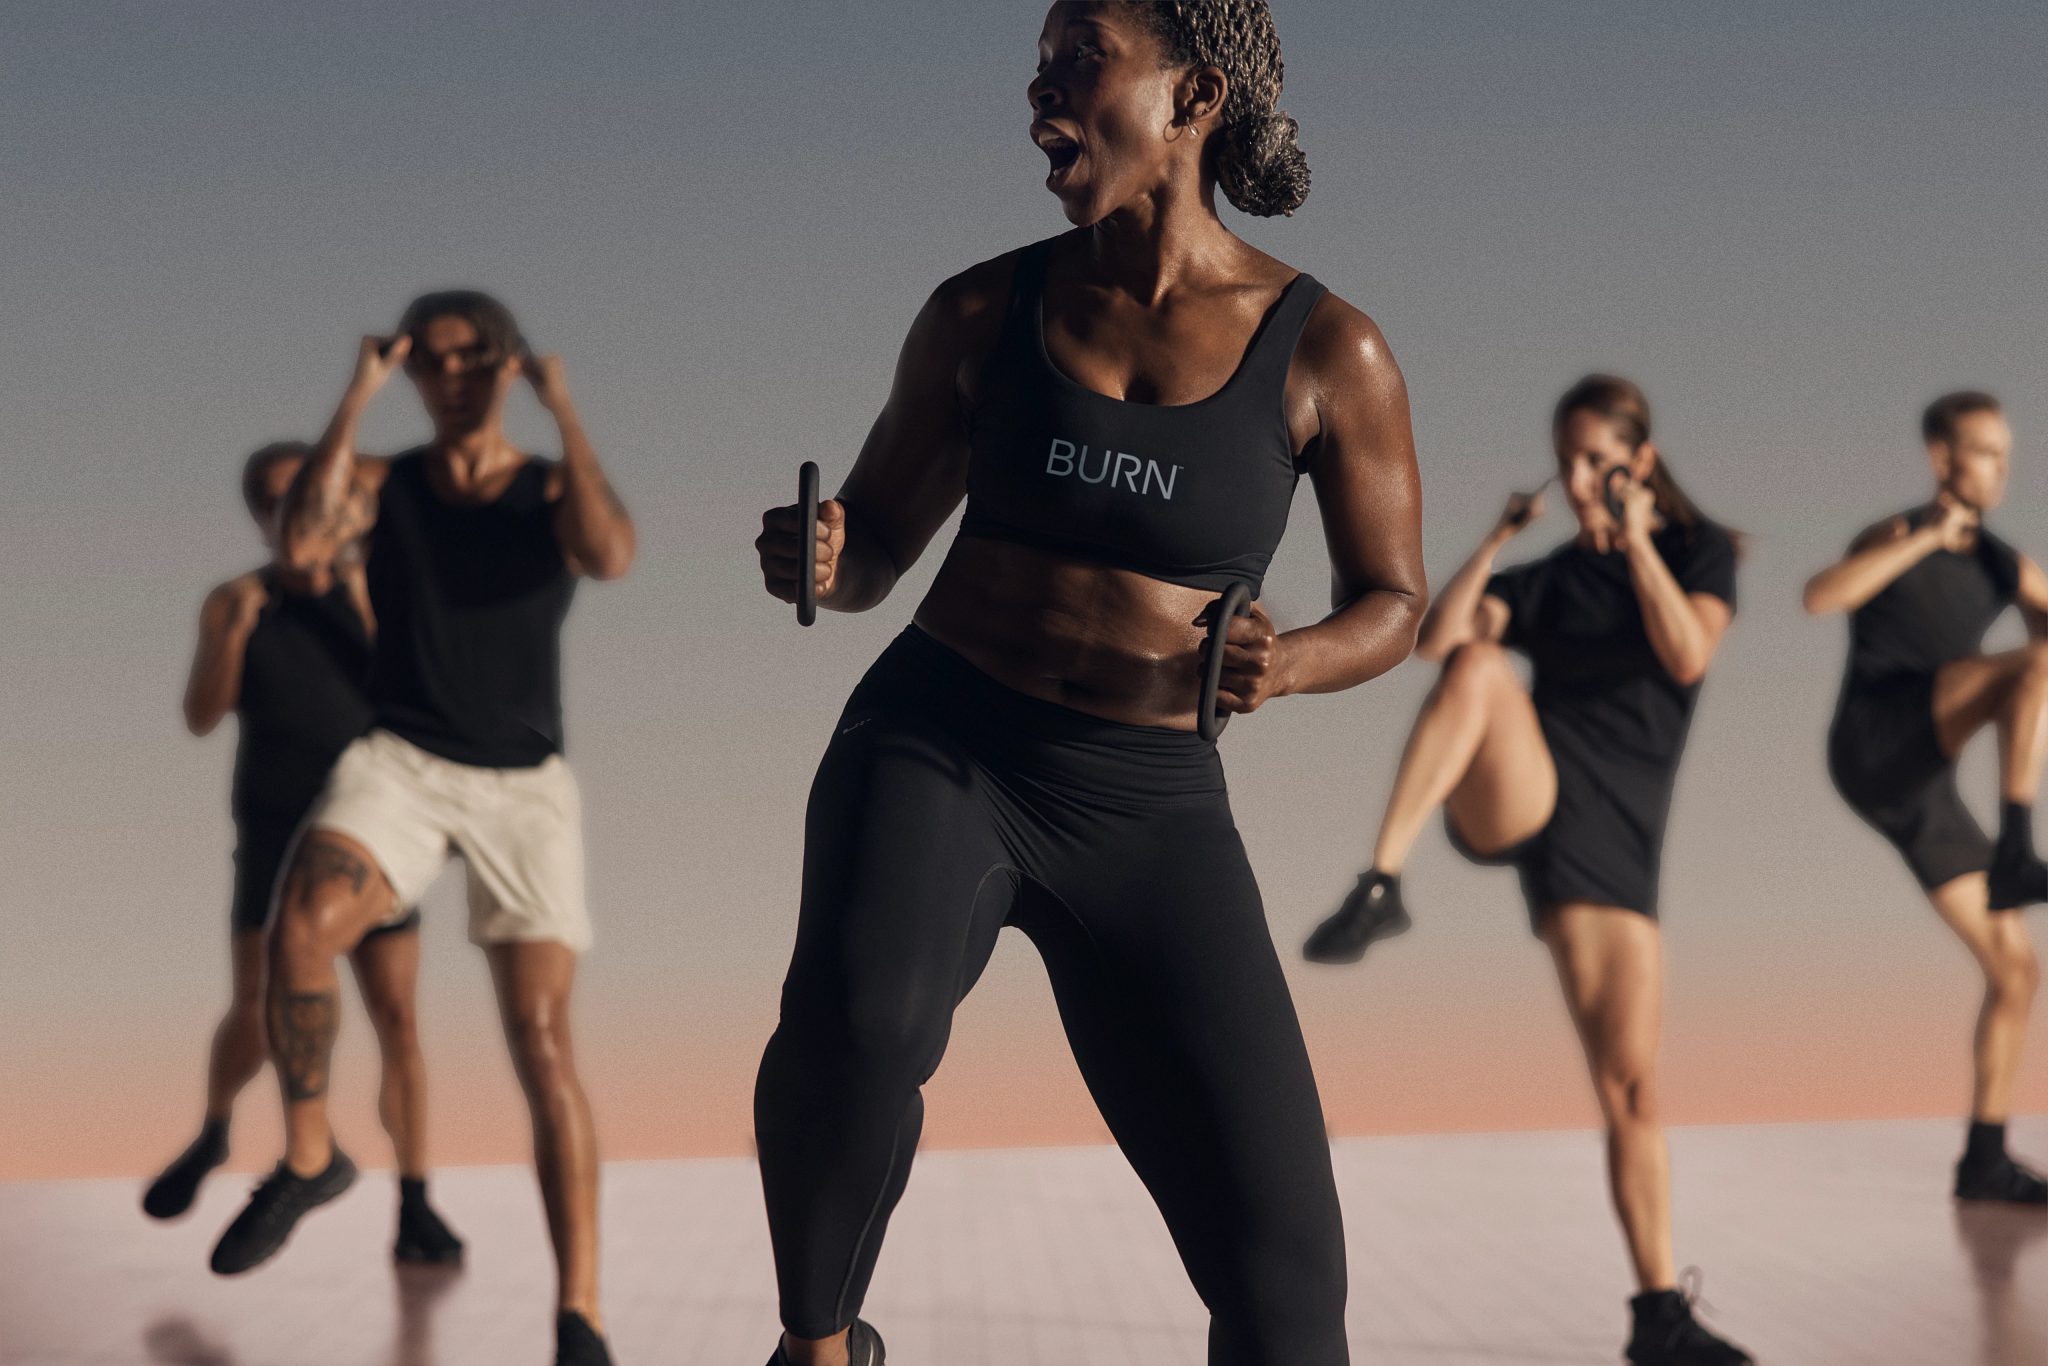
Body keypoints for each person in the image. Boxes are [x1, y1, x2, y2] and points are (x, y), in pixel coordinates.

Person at [750, 5, 1426, 1363]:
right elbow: (880, 543)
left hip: (1148, 801)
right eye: (1041, 55)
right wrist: (825, 552)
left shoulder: (1329, 351)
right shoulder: (982, 310)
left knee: (1291, 1286)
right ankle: (818, 1344)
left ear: (1194, 94)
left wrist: (1287, 663)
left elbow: (1397, 604)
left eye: (1080, 56)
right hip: (945, 741)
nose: (1039, 85)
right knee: (862, 1023)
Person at [206, 292, 635, 1366]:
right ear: (412, 373)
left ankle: (577, 1311)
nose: (450, 378)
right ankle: (311, 1154)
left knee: (542, 1044)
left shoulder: (544, 487)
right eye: (429, 363)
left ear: (504, 365)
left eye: (469, 359)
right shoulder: (386, 484)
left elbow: (610, 552)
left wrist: (564, 410)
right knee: (303, 921)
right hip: (401, 760)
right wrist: (356, 390)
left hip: (523, 786)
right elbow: (304, 533)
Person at [1303, 376, 1753, 1366]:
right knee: (1475, 668)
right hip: (1528, 792)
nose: (1578, 478)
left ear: (1637, 460)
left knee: (1630, 1087)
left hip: (1616, 841)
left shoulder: (1693, 550)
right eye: (1566, 460)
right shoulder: (1543, 579)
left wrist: (1633, 539)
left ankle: (1655, 1315)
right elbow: (1434, 643)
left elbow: (1686, 656)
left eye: (1596, 459)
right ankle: (1380, 883)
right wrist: (1501, 538)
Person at [142, 443, 463, 1267]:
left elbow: (424, 695)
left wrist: (359, 592)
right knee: (257, 1007)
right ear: (262, 514)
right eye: (282, 500)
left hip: (368, 830)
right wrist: (235, 631)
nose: (301, 512)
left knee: (398, 1021)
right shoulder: (236, 601)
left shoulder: (374, 589)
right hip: (274, 825)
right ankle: (215, 1132)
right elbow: (200, 713)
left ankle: (416, 1202)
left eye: (311, 495)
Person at [1803, 390, 2048, 1206]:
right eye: (1984, 452)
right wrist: (1926, 540)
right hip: (1876, 738)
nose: (2000, 469)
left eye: (2006, 456)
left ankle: (1983, 1158)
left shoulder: (2003, 562)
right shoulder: (1897, 532)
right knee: (2030, 666)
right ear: (1944, 458)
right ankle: (2018, 848)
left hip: (1923, 786)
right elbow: (1821, 596)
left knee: (2016, 970)